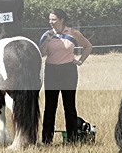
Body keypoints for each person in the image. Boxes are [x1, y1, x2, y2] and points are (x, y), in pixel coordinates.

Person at [39, 9, 93, 144]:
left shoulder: (73, 33)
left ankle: (72, 139)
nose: (51, 22)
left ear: (62, 20)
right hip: (51, 71)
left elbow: (88, 46)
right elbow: (41, 53)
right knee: (50, 106)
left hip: (68, 71)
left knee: (69, 106)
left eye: (54, 19)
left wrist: (80, 61)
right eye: (49, 19)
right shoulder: (46, 34)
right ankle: (47, 139)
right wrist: (47, 40)